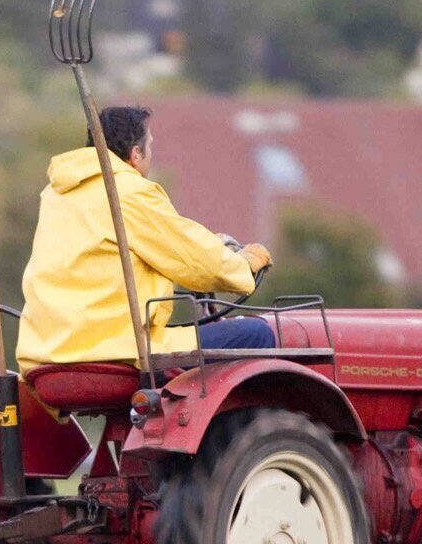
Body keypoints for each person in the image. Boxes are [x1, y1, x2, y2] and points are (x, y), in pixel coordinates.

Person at [15, 105, 274, 370]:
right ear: (135, 153)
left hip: (45, 353)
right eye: (149, 145)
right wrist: (242, 265)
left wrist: (209, 245)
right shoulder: (128, 192)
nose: (151, 154)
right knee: (258, 333)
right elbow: (194, 259)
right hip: (115, 349)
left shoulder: (56, 194)